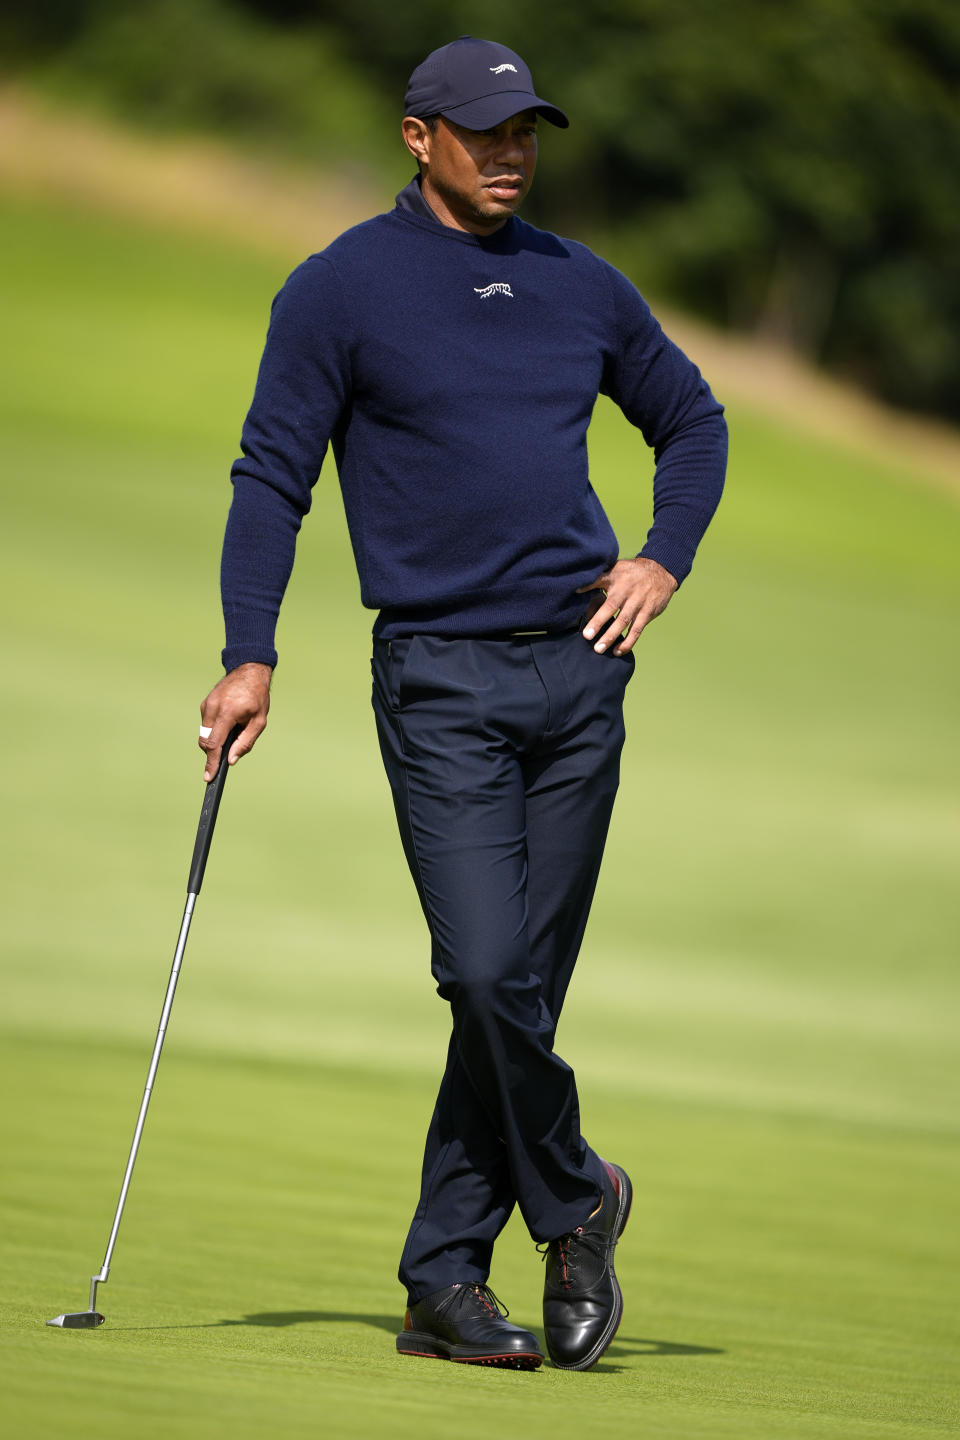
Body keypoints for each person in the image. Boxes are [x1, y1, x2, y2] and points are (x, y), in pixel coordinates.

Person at [198, 35, 727, 1372]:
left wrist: (662, 557)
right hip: (439, 679)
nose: (511, 153)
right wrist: (248, 650)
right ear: (415, 136)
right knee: (485, 971)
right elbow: (272, 476)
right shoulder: (341, 290)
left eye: (526, 132)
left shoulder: (579, 283)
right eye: (485, 131)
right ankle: (578, 1198)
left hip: (580, 672)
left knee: (519, 997)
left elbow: (694, 421)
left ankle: (445, 1278)